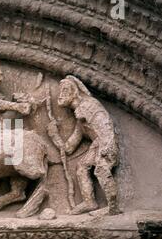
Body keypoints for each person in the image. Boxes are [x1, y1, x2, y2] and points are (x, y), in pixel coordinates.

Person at [47, 75, 121, 215]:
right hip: (98, 144)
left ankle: (113, 208)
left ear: (74, 92)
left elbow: (105, 126)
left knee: (101, 170)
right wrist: (54, 135)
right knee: (81, 167)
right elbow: (68, 148)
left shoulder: (89, 106)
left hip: (106, 143)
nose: (60, 95)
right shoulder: (81, 121)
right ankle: (89, 202)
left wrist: (106, 148)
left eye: (64, 91)